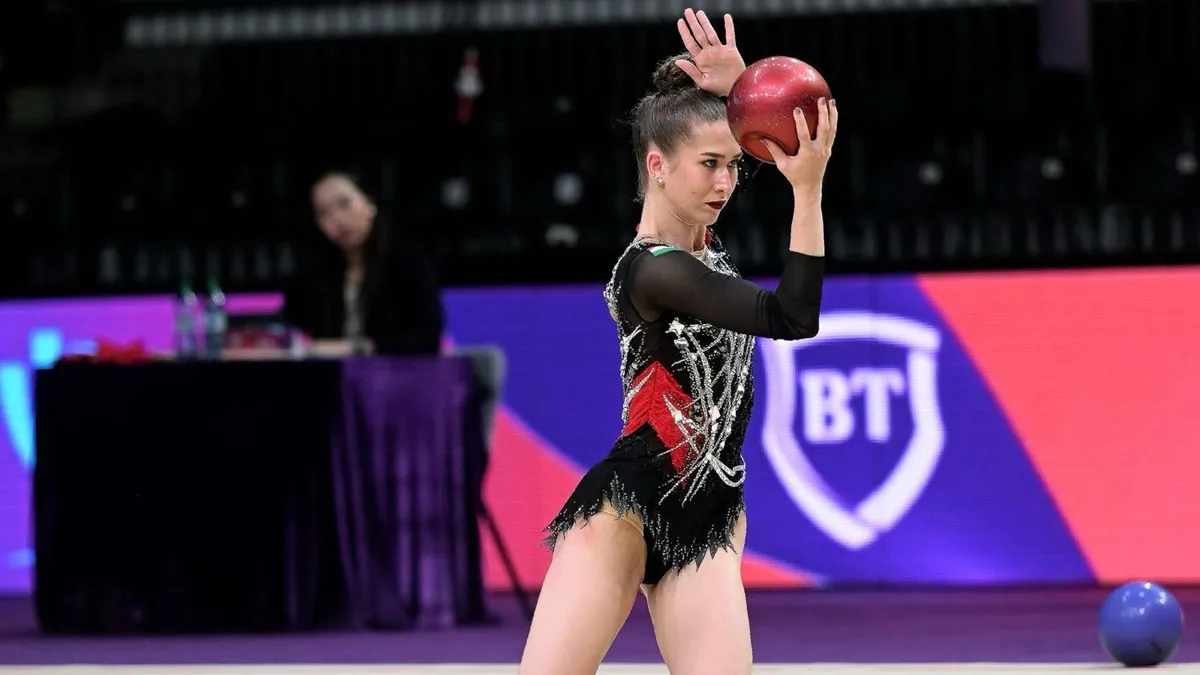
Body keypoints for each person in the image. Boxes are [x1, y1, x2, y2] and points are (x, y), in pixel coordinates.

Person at [518, 9, 837, 675]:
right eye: (709, 165)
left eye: (733, 166)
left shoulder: (702, 247)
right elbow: (791, 316)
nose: (724, 183)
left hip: (709, 517)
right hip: (627, 512)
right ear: (657, 165)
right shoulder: (654, 270)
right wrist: (807, 192)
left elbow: (740, 140)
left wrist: (745, 94)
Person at [281, 171, 444, 357]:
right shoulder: (314, 270)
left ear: (368, 203)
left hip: (396, 371)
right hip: (331, 373)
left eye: (344, 204)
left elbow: (426, 338)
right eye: (324, 213)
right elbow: (291, 330)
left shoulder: (407, 261)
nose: (338, 219)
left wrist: (357, 348)